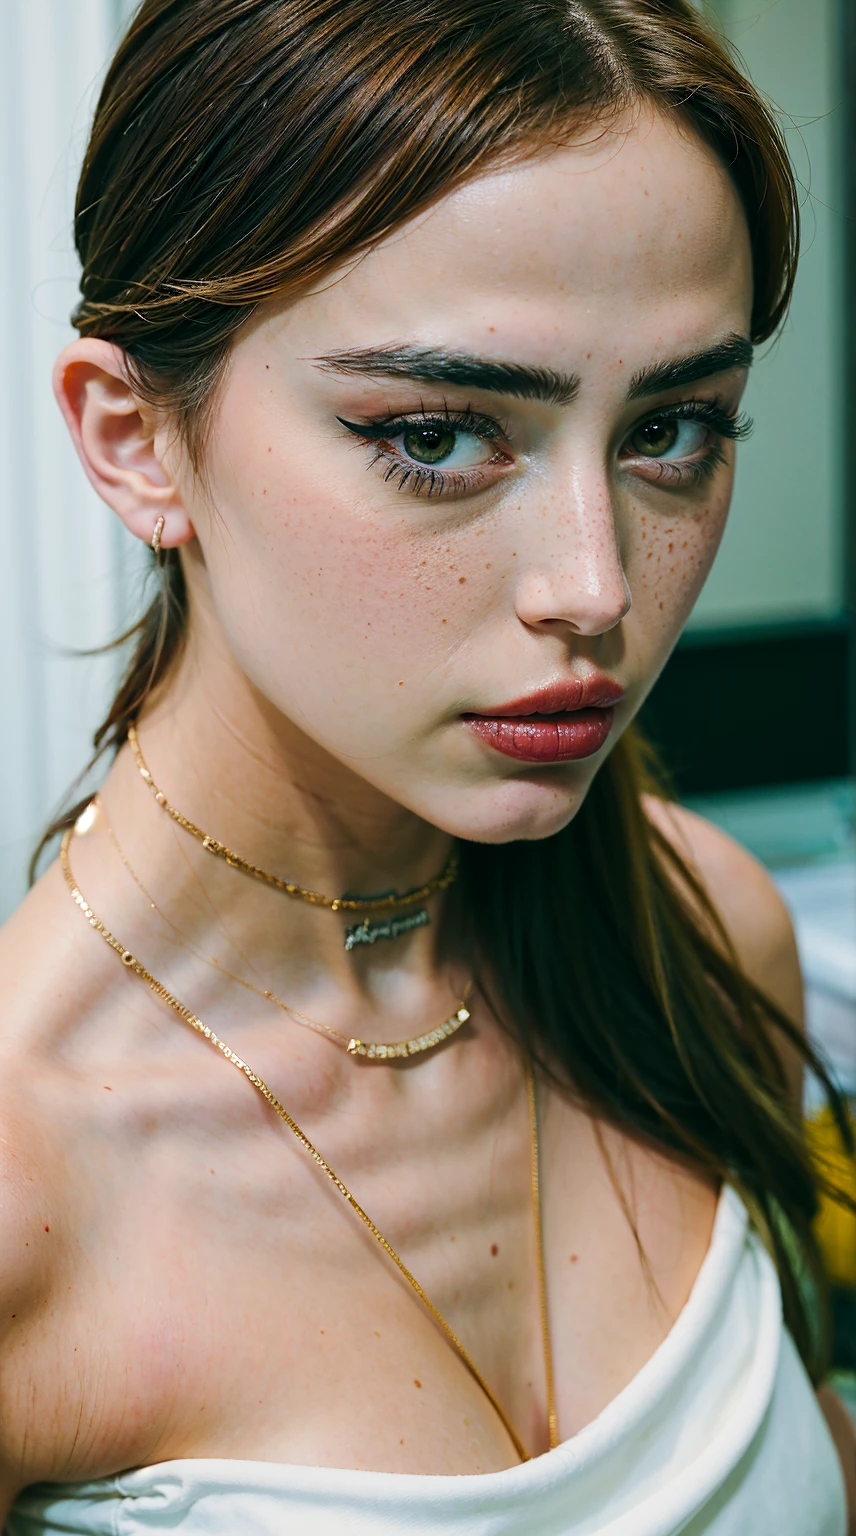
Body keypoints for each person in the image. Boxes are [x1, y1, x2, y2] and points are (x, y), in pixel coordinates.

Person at [0, 0, 852, 1530]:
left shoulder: (709, 943)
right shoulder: (28, 1196)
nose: (595, 583)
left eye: (675, 428)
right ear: (135, 438)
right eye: (441, 438)